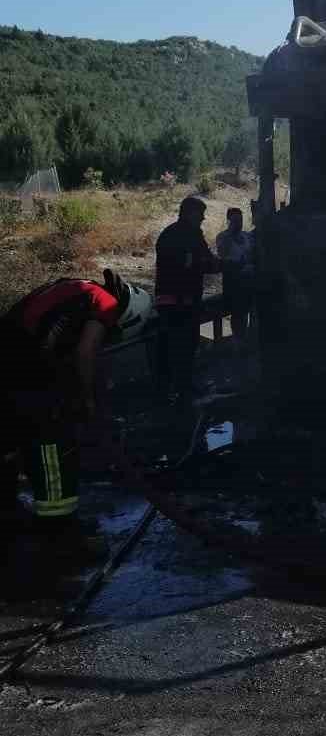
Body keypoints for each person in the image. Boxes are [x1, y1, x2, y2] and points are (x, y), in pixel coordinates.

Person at [0, 270, 152, 531]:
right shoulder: (106, 303)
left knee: (8, 440)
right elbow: (85, 353)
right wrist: (87, 398)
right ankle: (58, 527)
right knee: (51, 444)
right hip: (25, 370)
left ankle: (7, 511)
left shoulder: (78, 287)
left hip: (9, 362)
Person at [155, 195, 222, 400]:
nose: (203, 218)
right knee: (184, 347)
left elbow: (202, 262)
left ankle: (176, 389)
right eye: (200, 214)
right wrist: (219, 264)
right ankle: (182, 391)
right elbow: (201, 263)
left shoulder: (171, 234)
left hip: (175, 301)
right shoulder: (186, 235)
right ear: (190, 213)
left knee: (180, 347)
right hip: (180, 302)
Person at [216, 207, 254, 341]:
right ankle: (238, 341)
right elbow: (223, 253)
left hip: (249, 279)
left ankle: (247, 339)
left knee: (248, 312)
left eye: (240, 219)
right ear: (229, 220)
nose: (239, 222)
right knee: (237, 314)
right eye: (235, 220)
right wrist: (231, 233)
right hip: (233, 281)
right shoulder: (222, 237)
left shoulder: (247, 236)